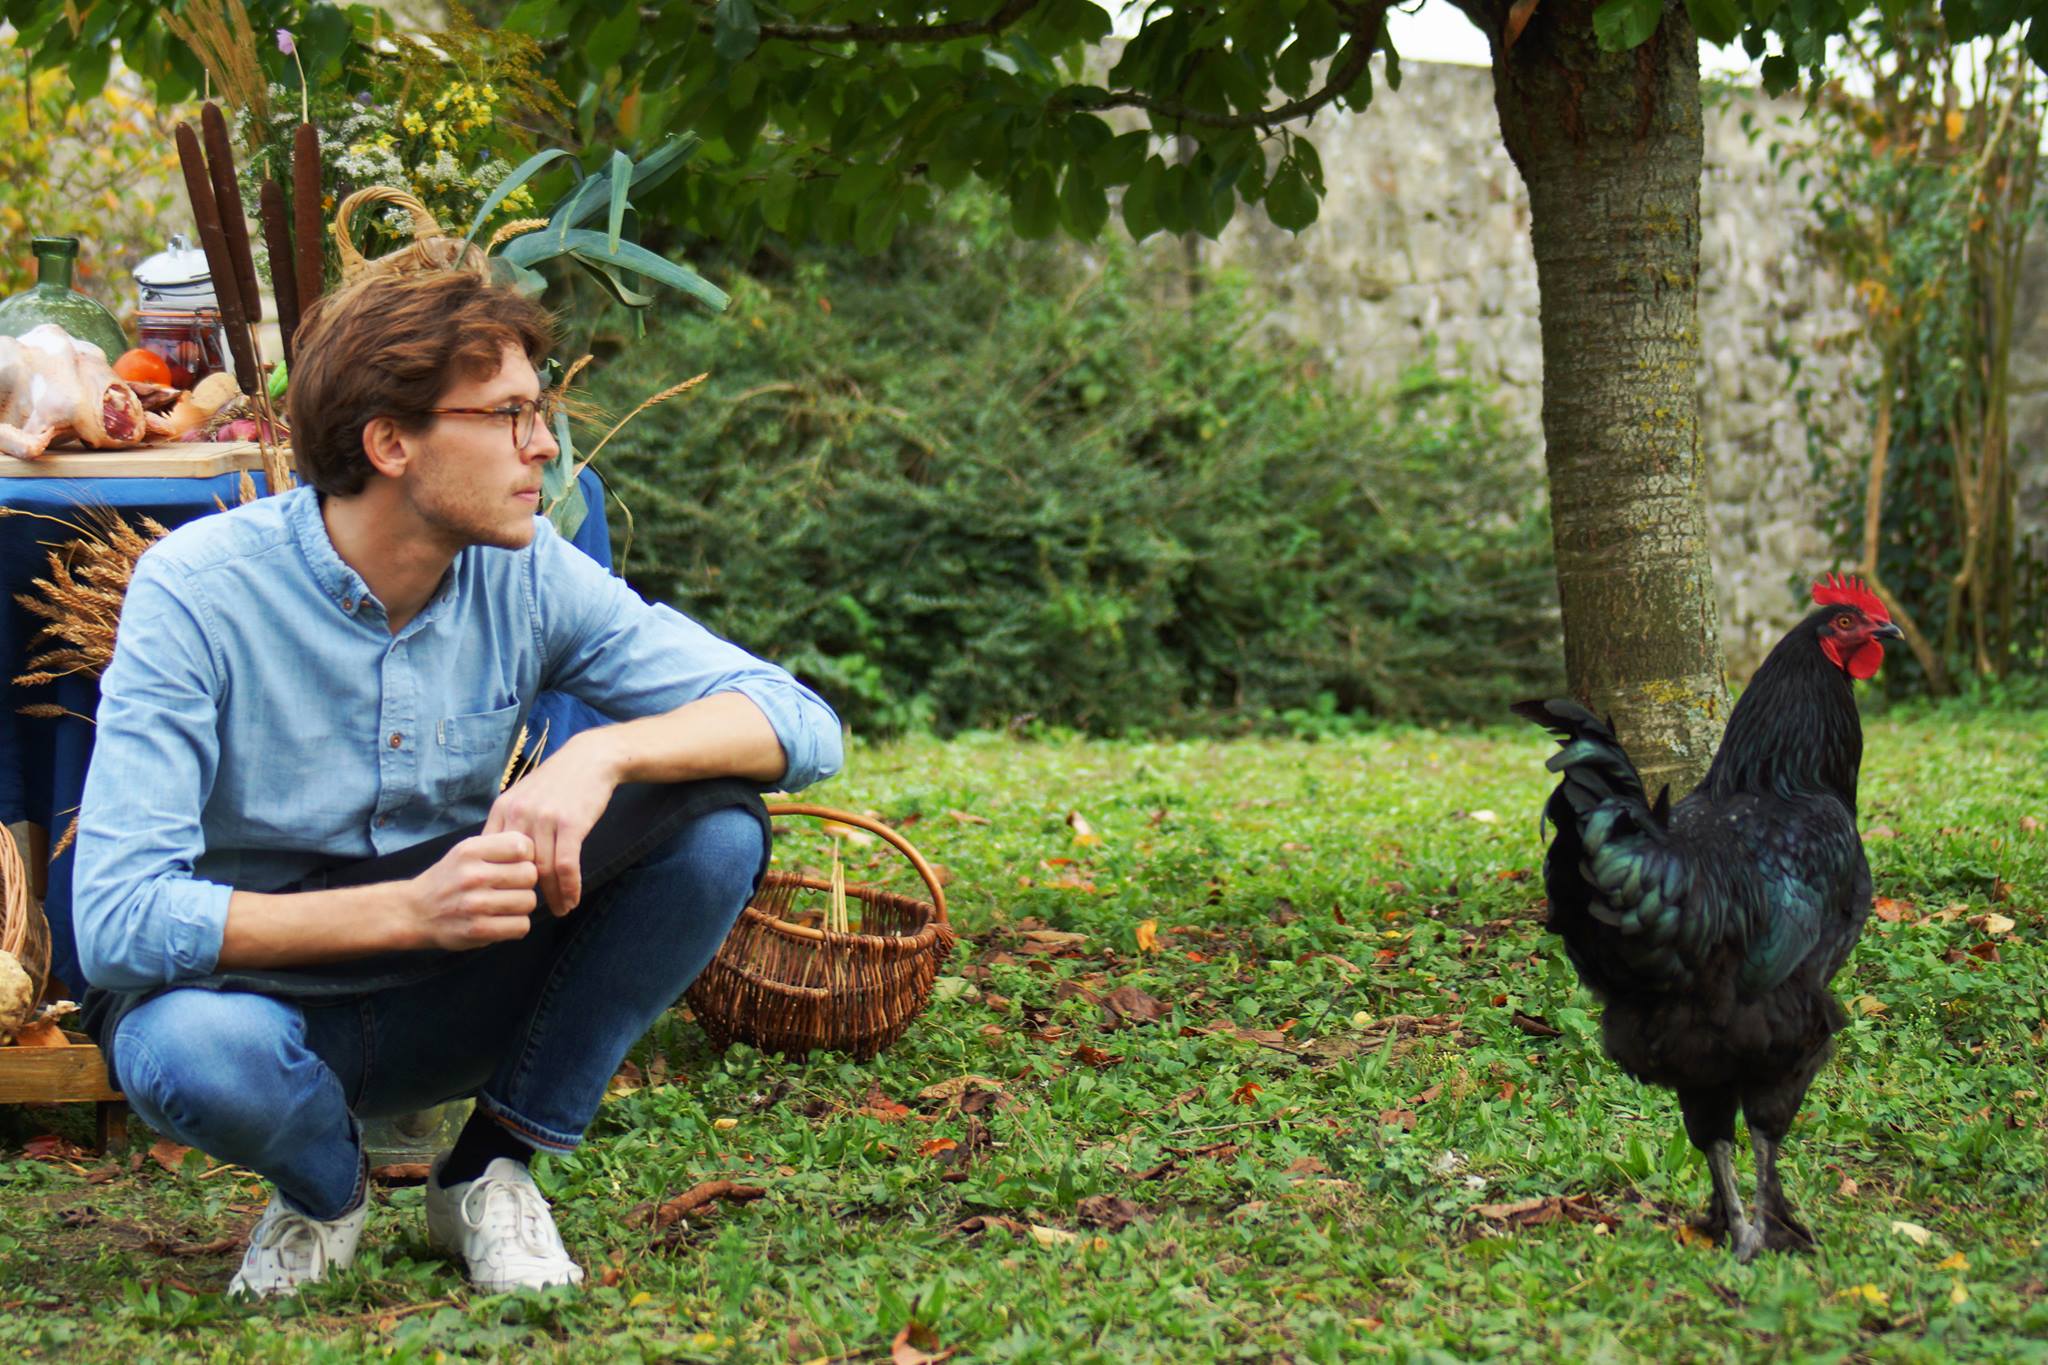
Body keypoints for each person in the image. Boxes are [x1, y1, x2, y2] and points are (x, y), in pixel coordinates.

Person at [69, 267, 842, 1297]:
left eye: (543, 411)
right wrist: (407, 910)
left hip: (459, 994)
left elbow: (800, 723)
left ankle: (489, 1171)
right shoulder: (199, 593)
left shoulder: (529, 572)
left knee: (715, 830)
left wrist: (597, 754)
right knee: (190, 1052)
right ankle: (322, 1192)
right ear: (391, 444)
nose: (544, 447)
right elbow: (117, 922)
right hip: (258, 1008)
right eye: (512, 415)